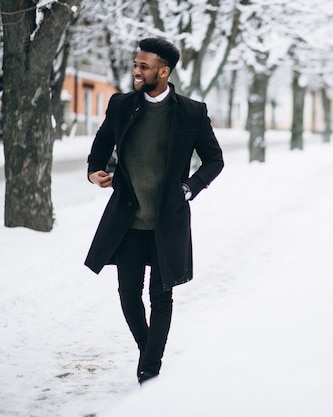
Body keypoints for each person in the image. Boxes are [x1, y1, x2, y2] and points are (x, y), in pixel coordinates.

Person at [84, 38, 224, 385]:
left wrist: (189, 188)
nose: (136, 71)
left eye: (143, 66)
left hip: (167, 220)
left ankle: (149, 369)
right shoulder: (121, 105)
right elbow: (102, 143)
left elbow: (214, 160)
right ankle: (150, 350)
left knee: (161, 295)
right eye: (135, 64)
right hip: (128, 220)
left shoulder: (191, 111)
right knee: (128, 293)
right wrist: (94, 170)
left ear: (164, 71)